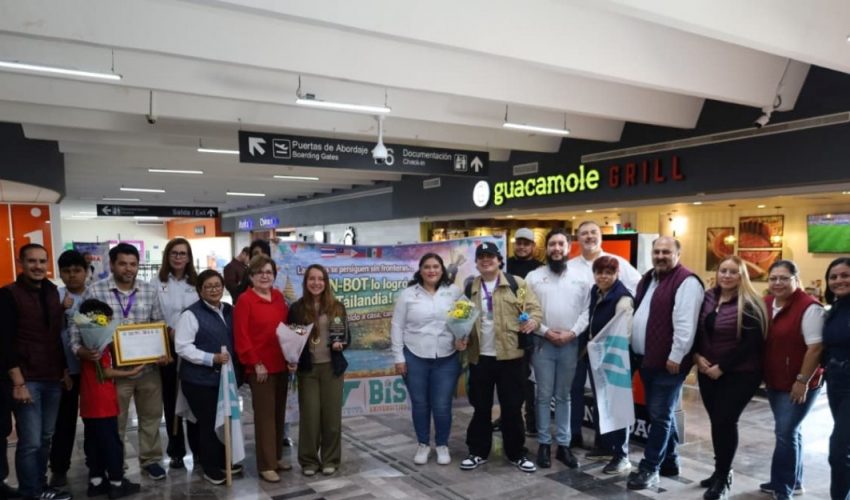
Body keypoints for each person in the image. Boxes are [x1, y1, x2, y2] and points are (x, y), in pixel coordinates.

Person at [72, 242, 168, 481]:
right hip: (113, 371)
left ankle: (151, 460)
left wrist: (164, 350)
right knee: (117, 422)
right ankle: (117, 464)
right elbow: (76, 331)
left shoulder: (149, 290)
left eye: (133, 264)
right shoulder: (95, 291)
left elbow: (159, 323)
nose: (128, 268)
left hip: (148, 368)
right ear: (112, 264)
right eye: (123, 263)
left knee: (151, 417)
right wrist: (83, 351)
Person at [456, 242, 543, 473]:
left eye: (490, 256)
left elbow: (534, 309)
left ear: (499, 260)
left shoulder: (517, 284)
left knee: (512, 407)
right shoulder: (469, 288)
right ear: (476, 262)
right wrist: (460, 337)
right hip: (480, 357)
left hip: (511, 356)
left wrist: (532, 321)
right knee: (481, 408)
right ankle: (477, 452)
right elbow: (460, 320)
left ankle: (516, 454)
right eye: (481, 257)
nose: (486, 260)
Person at [627, 237, 704, 491]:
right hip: (647, 360)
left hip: (668, 363)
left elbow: (685, 324)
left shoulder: (687, 282)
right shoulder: (649, 277)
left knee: (659, 416)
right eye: (657, 251)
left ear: (678, 254)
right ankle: (670, 461)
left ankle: (650, 468)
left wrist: (676, 355)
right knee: (661, 413)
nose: (660, 255)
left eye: (666, 252)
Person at [0, 244, 72, 500]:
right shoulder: (8, 295)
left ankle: (41, 487)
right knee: (30, 441)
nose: (38, 266)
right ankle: (30, 491)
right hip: (27, 378)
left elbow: (55, 337)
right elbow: (5, 342)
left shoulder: (52, 292)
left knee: (45, 437)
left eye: (42, 261)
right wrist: (17, 382)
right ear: (21, 263)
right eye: (32, 261)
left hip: (52, 377)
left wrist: (63, 370)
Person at [693, 256, 768, 499]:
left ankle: (724, 476)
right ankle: (719, 471)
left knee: (726, 421)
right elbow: (696, 329)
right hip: (707, 371)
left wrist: (722, 367)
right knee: (716, 422)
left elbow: (751, 343)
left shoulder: (750, 303)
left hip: (739, 374)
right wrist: (696, 356)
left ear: (742, 276)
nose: (726, 275)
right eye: (723, 270)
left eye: (732, 272)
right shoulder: (707, 297)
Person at [567, 221, 641, 450]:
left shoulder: (619, 263)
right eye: (584, 233)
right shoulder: (570, 266)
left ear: (601, 236)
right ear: (577, 238)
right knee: (574, 389)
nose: (589, 236)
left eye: (594, 232)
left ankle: (604, 441)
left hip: (608, 341)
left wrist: (622, 319)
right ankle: (573, 434)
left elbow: (639, 288)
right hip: (577, 337)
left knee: (603, 392)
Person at [525, 229, 589, 469]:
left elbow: (587, 311)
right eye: (552, 244)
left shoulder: (582, 277)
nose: (556, 249)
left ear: (569, 246)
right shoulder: (534, 277)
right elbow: (527, 310)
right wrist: (544, 331)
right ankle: (543, 443)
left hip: (570, 345)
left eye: (561, 244)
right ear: (547, 248)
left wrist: (573, 332)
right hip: (543, 344)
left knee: (564, 396)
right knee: (542, 396)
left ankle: (563, 445)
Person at [390, 254, 463, 466]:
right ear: (420, 270)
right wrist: (399, 358)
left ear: (442, 270)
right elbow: (397, 326)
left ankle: (442, 445)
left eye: (436, 267)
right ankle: (423, 444)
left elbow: (463, 322)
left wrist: (462, 339)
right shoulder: (408, 295)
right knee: (420, 404)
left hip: (447, 357)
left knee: (441, 405)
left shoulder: (454, 293)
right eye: (427, 267)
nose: (432, 271)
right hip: (414, 356)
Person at [761, 260, 824, 500]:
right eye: (773, 278)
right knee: (791, 432)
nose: (778, 283)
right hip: (775, 380)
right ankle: (793, 481)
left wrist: (802, 381)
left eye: (784, 278)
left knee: (785, 434)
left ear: (796, 280)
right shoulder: (767, 303)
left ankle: (782, 488)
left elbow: (816, 348)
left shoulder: (809, 307)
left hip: (799, 383)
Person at [174, 270, 241, 486]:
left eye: (217, 285)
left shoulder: (229, 310)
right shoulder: (190, 315)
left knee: (224, 421)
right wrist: (210, 358)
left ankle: (224, 460)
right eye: (208, 286)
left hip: (224, 379)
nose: (214, 289)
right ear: (200, 290)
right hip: (199, 381)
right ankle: (210, 467)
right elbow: (182, 347)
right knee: (209, 423)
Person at [288, 264, 351, 476]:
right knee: (310, 417)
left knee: (332, 417)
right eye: (312, 279)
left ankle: (331, 459)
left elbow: (346, 337)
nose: (316, 283)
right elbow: (293, 340)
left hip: (332, 369)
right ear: (306, 282)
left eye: (320, 279)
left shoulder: (337, 307)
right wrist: (293, 357)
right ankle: (308, 461)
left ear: (326, 282)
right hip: (308, 370)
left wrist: (340, 343)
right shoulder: (297, 309)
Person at [76, 299, 142, 499]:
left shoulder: (84, 344)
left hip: (88, 402)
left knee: (93, 443)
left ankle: (96, 482)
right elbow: (105, 373)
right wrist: (130, 372)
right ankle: (116, 482)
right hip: (103, 402)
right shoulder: (99, 347)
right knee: (111, 443)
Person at [233, 255, 289, 483]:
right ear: (252, 276)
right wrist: (255, 363)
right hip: (260, 369)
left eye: (268, 272)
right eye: (260, 272)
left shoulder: (278, 297)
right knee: (265, 417)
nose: (264, 276)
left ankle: (275, 457)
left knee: (278, 414)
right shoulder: (245, 300)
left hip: (281, 363)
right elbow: (241, 337)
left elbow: (286, 330)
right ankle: (266, 464)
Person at [581, 256, 634, 475]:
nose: (603, 276)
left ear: (617, 274)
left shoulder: (622, 299)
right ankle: (604, 446)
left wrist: (606, 353)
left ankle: (622, 456)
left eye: (608, 273)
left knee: (617, 406)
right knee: (601, 403)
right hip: (597, 357)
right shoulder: (596, 291)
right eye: (599, 272)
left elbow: (625, 335)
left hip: (615, 359)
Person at [149, 237, 199, 470]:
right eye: (174, 253)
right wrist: (168, 331)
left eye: (183, 253)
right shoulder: (156, 283)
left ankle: (199, 450)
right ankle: (176, 450)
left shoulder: (197, 283)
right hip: (166, 345)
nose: (179, 257)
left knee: (194, 399)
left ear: (189, 257)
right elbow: (153, 315)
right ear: (167, 256)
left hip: (193, 346)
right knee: (171, 400)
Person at [48, 250, 88, 489]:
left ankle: (97, 462)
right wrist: (60, 310)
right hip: (67, 370)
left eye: (77, 270)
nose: (72, 276)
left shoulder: (96, 293)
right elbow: (48, 334)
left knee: (96, 419)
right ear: (60, 273)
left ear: (86, 271)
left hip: (94, 368)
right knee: (64, 421)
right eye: (66, 272)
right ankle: (59, 468)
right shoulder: (55, 296)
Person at [502, 228, 542, 437]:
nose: (522, 247)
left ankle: (531, 420)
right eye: (519, 242)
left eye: (526, 243)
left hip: (529, 329)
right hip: (506, 329)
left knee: (527, 378)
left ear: (533, 246)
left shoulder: (539, 269)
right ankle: (507, 416)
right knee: (508, 377)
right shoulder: (504, 265)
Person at [823, 257, 850, 500]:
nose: (839, 280)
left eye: (845, 275)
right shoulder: (835, 308)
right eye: (834, 276)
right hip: (836, 382)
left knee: (839, 451)